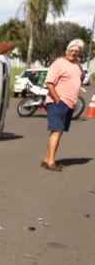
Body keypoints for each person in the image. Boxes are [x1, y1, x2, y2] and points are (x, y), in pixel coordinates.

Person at [41, 39, 85, 172]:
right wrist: (57, 99)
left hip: (70, 103)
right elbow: (49, 83)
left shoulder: (77, 65)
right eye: (72, 50)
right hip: (58, 102)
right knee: (57, 131)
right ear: (67, 50)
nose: (74, 53)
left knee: (57, 132)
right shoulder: (59, 63)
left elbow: (80, 77)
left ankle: (47, 159)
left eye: (77, 51)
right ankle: (51, 162)